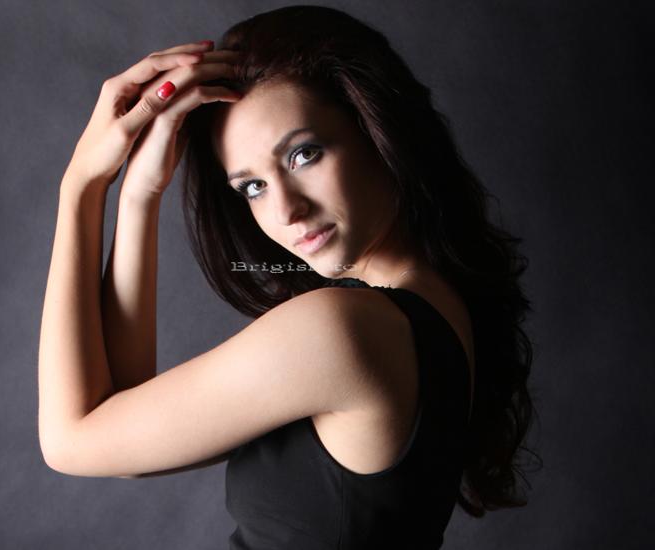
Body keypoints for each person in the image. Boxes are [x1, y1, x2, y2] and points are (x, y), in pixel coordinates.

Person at [38, 5, 541, 548]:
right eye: (252, 187)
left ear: (378, 130)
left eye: (304, 155)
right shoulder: (437, 306)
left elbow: (73, 441)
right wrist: (140, 195)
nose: (285, 211)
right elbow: (123, 435)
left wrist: (82, 185)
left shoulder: (343, 331)